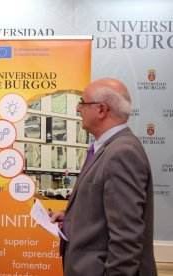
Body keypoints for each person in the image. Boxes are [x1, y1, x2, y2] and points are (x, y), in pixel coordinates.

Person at [50, 78, 157, 276]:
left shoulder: (121, 153)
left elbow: (126, 237)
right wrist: (72, 218)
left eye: (82, 102)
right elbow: (107, 210)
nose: (77, 109)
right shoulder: (109, 149)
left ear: (101, 110)